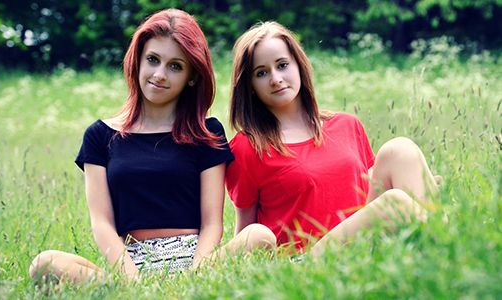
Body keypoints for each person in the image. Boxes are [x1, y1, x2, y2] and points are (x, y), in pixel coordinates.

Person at [28, 9, 234, 283]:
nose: (160, 74)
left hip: (195, 260)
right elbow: (102, 223)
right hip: (131, 264)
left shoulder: (206, 132)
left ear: (192, 76)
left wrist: (196, 276)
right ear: (137, 61)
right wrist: (132, 280)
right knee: (45, 263)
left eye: (175, 66)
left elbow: (212, 224)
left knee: (259, 236)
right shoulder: (100, 135)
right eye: (153, 60)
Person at [225, 21, 446, 257]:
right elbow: (246, 231)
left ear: (299, 65)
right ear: (250, 86)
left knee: (400, 150)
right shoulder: (248, 146)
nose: (276, 79)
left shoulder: (347, 125)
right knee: (394, 204)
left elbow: (361, 191)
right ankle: (451, 243)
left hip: (363, 244)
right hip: (307, 260)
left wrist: (415, 187)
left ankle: (445, 247)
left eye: (282, 65)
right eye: (262, 73)